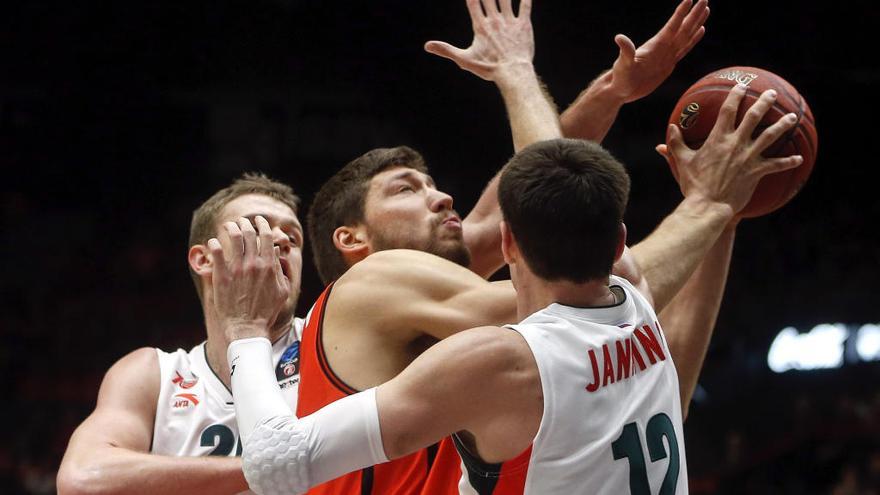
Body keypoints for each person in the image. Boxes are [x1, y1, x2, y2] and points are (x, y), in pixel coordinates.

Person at [220, 81, 803, 494]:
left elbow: (548, 188)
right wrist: (714, 207)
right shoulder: (628, 306)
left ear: (507, 245)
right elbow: (568, 216)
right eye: (405, 190)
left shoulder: (508, 358)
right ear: (351, 239)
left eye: (434, 185)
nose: (440, 196)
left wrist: (715, 213)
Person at [57, 174, 305, 495]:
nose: (281, 239)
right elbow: (83, 480)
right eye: (255, 227)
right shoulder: (152, 374)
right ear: (204, 259)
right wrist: (275, 464)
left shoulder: (330, 336)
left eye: (293, 237)